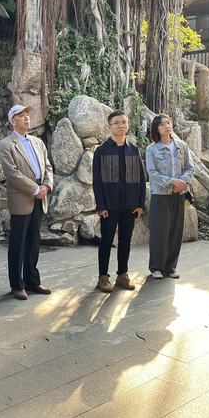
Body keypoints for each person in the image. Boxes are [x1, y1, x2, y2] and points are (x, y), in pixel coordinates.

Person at [0, 104, 54, 300]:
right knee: (18, 243)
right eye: (21, 115)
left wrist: (46, 186)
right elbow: (12, 174)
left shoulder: (38, 142)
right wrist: (35, 189)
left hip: (40, 196)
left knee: (34, 241)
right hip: (23, 197)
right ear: (12, 122)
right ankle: (17, 284)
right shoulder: (6, 144)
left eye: (27, 114)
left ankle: (32, 281)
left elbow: (48, 166)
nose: (26, 118)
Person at [92, 111, 147, 292]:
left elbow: (141, 178)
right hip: (109, 205)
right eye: (116, 123)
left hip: (130, 204)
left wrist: (140, 203)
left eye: (124, 122)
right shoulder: (101, 151)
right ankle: (103, 277)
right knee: (106, 241)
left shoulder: (134, 150)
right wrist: (101, 205)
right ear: (109, 127)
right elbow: (97, 181)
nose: (121, 125)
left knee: (125, 241)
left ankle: (122, 275)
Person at [145, 113, 194, 280]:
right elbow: (152, 173)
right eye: (162, 124)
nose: (167, 126)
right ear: (156, 129)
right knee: (159, 232)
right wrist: (173, 182)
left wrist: (182, 182)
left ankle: (171, 267)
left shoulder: (182, 146)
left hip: (179, 194)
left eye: (168, 122)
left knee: (175, 232)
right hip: (161, 195)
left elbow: (190, 168)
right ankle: (156, 267)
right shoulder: (151, 149)